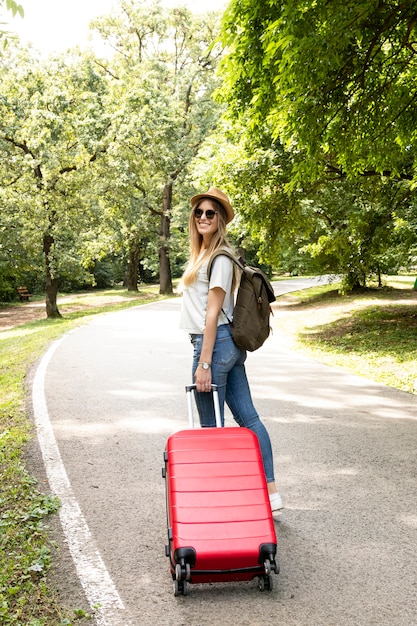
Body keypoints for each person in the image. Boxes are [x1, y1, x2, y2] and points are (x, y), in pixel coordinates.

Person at [179, 187, 283, 511]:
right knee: (249, 420)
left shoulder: (219, 258)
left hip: (215, 347)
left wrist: (205, 363)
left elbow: (212, 313)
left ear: (221, 219)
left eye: (211, 213)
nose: (203, 217)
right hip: (227, 347)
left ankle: (223, 501)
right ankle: (270, 494)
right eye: (199, 212)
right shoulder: (205, 254)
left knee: (212, 429)